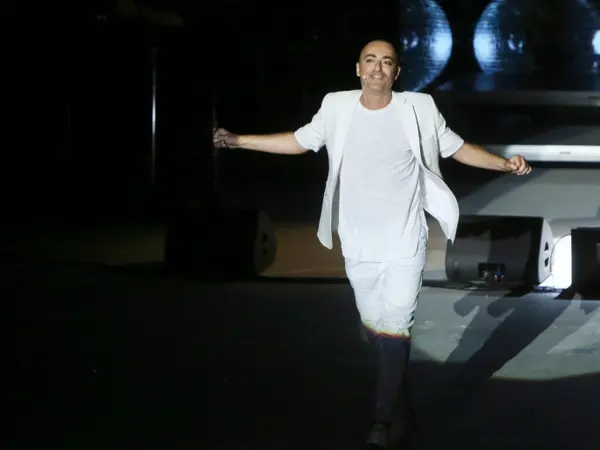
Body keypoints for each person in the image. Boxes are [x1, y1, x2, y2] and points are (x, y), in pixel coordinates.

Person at [213, 39, 532, 449]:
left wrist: (504, 163)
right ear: (358, 69)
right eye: (370, 60)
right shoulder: (336, 107)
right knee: (376, 331)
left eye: (386, 62)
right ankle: (401, 404)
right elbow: (299, 141)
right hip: (358, 243)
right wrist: (238, 140)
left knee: (395, 326)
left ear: (397, 73)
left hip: (406, 242)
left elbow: (458, 148)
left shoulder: (419, 108)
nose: (378, 68)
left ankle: (381, 422)